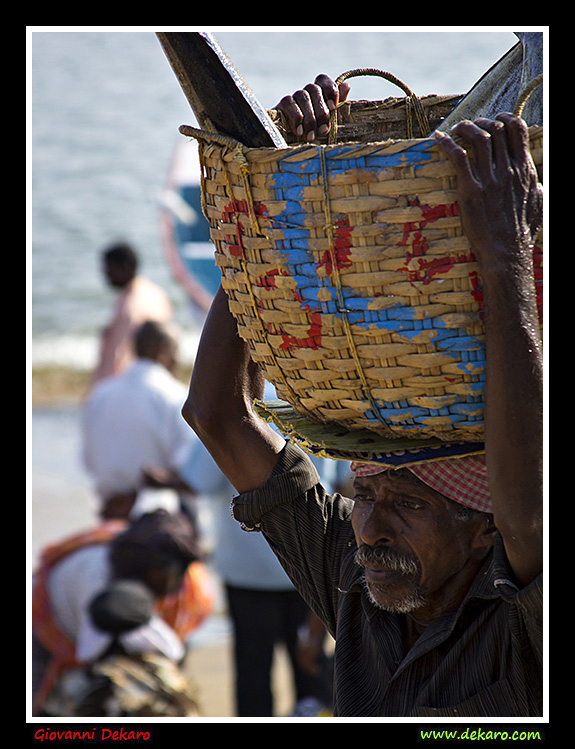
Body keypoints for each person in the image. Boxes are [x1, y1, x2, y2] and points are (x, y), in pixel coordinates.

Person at [181, 76, 543, 717]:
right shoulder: (354, 579)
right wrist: (274, 218)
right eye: (366, 494)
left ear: (484, 530)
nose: (370, 527)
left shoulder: (520, 618)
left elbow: (531, 516)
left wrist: (504, 258)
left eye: (407, 503)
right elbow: (216, 414)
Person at [180, 435, 334, 717]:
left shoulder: (226, 410)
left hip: (247, 571)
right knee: (312, 670)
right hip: (311, 563)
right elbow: (339, 481)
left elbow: (198, 480)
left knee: (253, 676)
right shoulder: (316, 404)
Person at [31, 510, 214, 716]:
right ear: (148, 566)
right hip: (47, 624)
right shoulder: (97, 581)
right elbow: (91, 653)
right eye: (170, 572)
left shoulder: (190, 583)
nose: (178, 583)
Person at [82, 320, 197, 521]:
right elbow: (190, 472)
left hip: (110, 512)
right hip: (160, 520)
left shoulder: (100, 395)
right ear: (162, 352)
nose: (178, 359)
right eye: (176, 351)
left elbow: (88, 463)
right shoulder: (176, 397)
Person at [91, 242, 173, 386]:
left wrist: (102, 392)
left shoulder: (129, 305)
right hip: (158, 377)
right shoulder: (156, 293)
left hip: (131, 384)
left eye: (109, 268)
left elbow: (118, 357)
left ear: (126, 267)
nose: (106, 274)